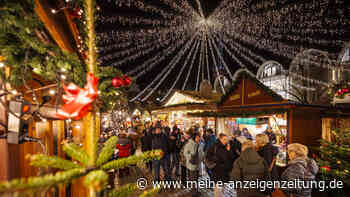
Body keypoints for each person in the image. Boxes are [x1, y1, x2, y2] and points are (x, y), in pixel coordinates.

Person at [184, 132, 202, 197]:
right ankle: (193, 192)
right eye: (197, 137)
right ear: (194, 137)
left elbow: (201, 154)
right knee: (193, 179)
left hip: (197, 164)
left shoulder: (199, 144)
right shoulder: (189, 144)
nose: (199, 138)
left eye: (199, 137)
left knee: (196, 178)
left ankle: (195, 191)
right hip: (191, 165)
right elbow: (185, 153)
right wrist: (191, 156)